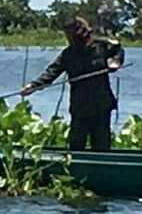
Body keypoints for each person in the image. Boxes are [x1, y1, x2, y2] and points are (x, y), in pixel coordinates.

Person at [21, 16, 124, 151]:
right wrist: (32, 86)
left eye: (72, 35)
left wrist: (115, 62)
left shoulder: (102, 46)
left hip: (101, 104)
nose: (70, 39)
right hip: (80, 106)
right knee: (76, 144)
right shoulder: (68, 55)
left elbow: (118, 50)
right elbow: (51, 73)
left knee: (101, 144)